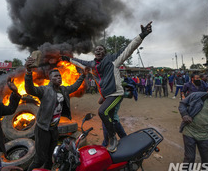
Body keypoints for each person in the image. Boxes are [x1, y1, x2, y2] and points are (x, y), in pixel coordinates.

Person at [61, 22, 152, 152]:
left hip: (115, 93)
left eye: (101, 49)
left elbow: (128, 49)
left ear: (105, 52)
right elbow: (80, 63)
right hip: (106, 96)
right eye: (96, 49)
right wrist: (67, 59)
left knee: (102, 112)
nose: (98, 50)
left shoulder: (113, 60)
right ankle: (124, 140)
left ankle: (112, 138)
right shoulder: (92, 65)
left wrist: (142, 35)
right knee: (112, 119)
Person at [24, 57, 89, 171]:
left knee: (50, 158)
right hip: (43, 129)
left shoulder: (63, 90)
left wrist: (83, 76)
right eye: (55, 77)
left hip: (54, 129)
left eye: (59, 76)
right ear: (50, 79)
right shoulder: (44, 90)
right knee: (39, 159)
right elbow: (30, 89)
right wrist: (28, 72)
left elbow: (74, 86)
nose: (58, 78)